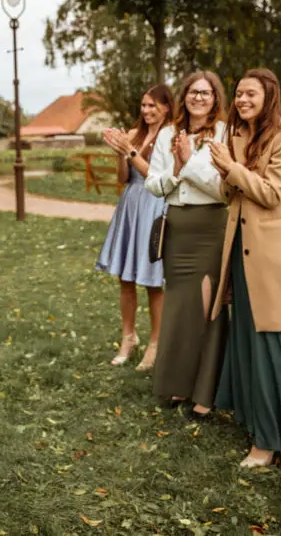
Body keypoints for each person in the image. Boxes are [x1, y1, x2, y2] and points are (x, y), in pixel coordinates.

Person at [208, 68, 281, 468]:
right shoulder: (238, 135)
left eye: (250, 94)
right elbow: (230, 194)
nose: (242, 100)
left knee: (274, 344)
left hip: (274, 257)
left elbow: (273, 194)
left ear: (269, 96)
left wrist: (232, 168)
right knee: (249, 342)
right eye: (238, 93)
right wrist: (226, 171)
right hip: (241, 253)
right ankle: (256, 420)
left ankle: (271, 440)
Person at [145, 71, 229, 415]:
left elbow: (223, 188)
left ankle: (205, 391)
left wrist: (190, 162)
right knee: (179, 307)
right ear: (184, 96)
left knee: (206, 309)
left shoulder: (224, 133)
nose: (199, 98)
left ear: (215, 98)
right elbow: (153, 184)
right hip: (177, 229)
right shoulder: (168, 133)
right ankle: (178, 384)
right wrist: (177, 169)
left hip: (209, 227)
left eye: (206, 93)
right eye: (194, 92)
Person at [97, 85, 175, 370]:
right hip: (131, 205)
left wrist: (129, 151)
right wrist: (120, 154)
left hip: (155, 205)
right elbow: (123, 178)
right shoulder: (133, 134)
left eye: (153, 105)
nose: (146, 111)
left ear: (167, 107)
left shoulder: (171, 137)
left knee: (153, 280)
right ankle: (128, 337)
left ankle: (156, 342)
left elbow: (156, 176)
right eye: (144, 105)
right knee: (125, 278)